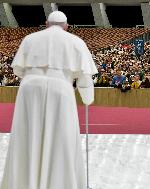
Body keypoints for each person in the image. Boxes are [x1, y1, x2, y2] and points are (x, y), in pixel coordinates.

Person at [1, 11, 98, 189]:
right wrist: (87, 98)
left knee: (27, 134)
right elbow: (85, 78)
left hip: (29, 88)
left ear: (46, 23)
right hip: (60, 87)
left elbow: (18, 71)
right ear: (66, 26)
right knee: (63, 136)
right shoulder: (76, 42)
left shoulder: (29, 39)